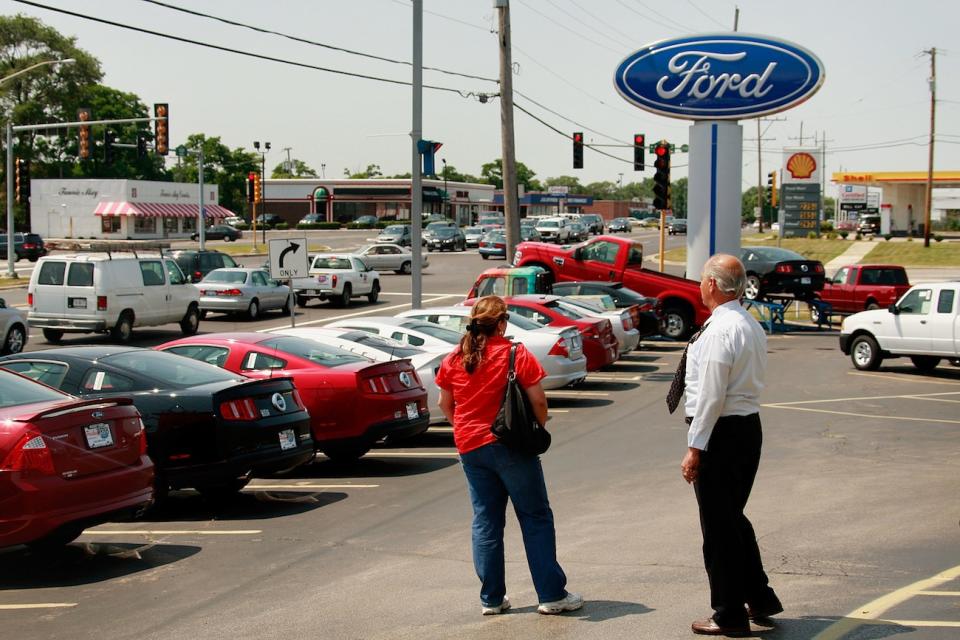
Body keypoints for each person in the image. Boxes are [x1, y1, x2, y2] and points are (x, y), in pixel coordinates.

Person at [436, 295, 583, 617]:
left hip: (471, 449)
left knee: (486, 521)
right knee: (535, 518)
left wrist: (466, 429)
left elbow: (445, 405)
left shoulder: (454, 359)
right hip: (511, 446)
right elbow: (539, 402)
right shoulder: (515, 354)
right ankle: (551, 595)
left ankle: (491, 599)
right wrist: (535, 430)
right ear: (501, 323)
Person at [667, 254, 782, 637]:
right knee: (732, 519)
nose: (699, 285)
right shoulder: (747, 322)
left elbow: (712, 397)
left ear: (713, 285)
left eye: (702, 279)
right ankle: (760, 598)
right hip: (745, 428)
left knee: (718, 529)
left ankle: (728, 613)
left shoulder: (720, 331)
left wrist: (695, 449)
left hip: (722, 432)